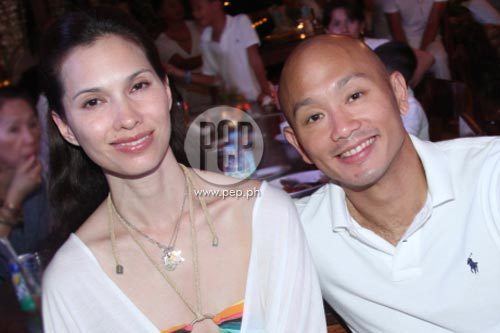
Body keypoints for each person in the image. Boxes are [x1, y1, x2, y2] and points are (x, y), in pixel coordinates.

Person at [40, 8, 326, 332]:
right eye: (93, 102)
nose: (127, 118)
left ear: (165, 90)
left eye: (138, 86)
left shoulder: (264, 213)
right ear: (65, 127)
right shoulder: (71, 283)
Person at [279, 35, 500, 332]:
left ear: (398, 92)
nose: (342, 128)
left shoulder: (490, 178)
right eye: (314, 117)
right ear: (299, 146)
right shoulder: (298, 233)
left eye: (355, 96)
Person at [168, 0, 273, 103]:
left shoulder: (240, 23)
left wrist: (265, 91)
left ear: (216, 4)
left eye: (199, 8)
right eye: (193, 10)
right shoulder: (206, 39)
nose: (195, 14)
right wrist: (178, 73)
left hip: (259, 97)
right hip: (237, 104)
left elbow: (255, 60)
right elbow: (215, 79)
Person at [324, 0, 435, 87]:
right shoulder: (323, 57)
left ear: (362, 25)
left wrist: (403, 85)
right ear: (327, 30)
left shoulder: (375, 46)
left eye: (351, 21)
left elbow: (426, 58)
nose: (344, 29)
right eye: (337, 24)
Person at [0, 86, 49, 283]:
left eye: (32, 124)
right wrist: (14, 200)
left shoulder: (38, 178)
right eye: (14, 130)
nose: (30, 138)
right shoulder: (28, 183)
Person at [154, 0, 212, 114]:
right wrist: (212, 55)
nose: (178, 8)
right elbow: (184, 64)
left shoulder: (198, 26)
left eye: (179, 3)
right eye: (172, 5)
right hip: (190, 99)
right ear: (161, 13)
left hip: (215, 90)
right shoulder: (161, 42)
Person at [374, 41, 429, 140]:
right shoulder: (383, 99)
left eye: (377, 77)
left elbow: (401, 144)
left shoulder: (411, 109)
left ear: (397, 82)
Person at [383, 0, 452, 80]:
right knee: (400, 65)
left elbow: (433, 24)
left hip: (431, 38)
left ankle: (446, 90)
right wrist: (409, 56)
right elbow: (396, 30)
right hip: (404, 39)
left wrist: (421, 56)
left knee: (440, 57)